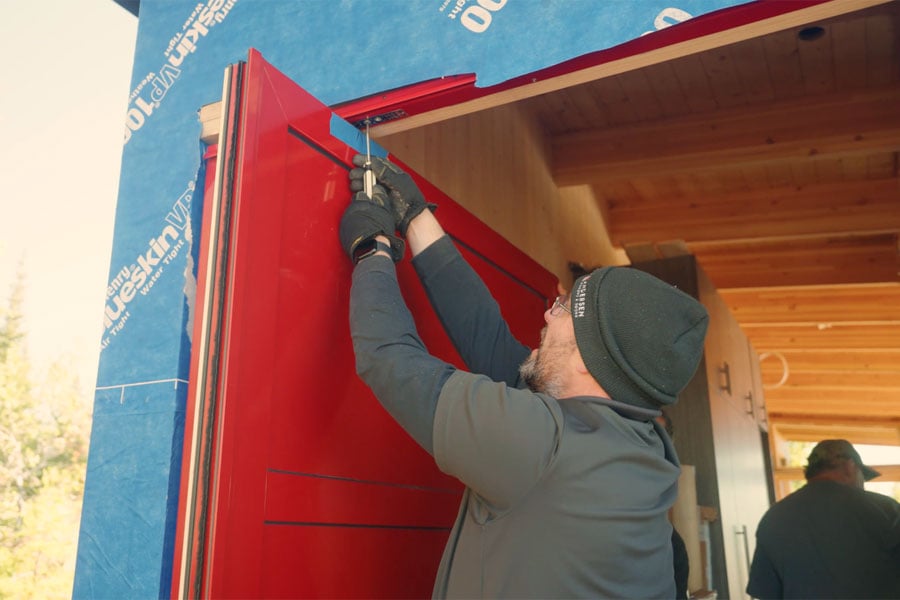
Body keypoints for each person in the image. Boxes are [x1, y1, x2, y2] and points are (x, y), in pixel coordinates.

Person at [338, 154, 710, 598]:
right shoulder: (640, 446)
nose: (548, 315)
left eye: (564, 310)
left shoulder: (545, 446)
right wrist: (415, 217)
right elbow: (489, 340)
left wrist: (372, 247)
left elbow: (389, 361)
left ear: (591, 361)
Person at [746, 439, 900, 599]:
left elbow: (766, 592)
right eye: (863, 476)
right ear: (850, 466)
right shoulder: (885, 509)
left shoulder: (774, 518)